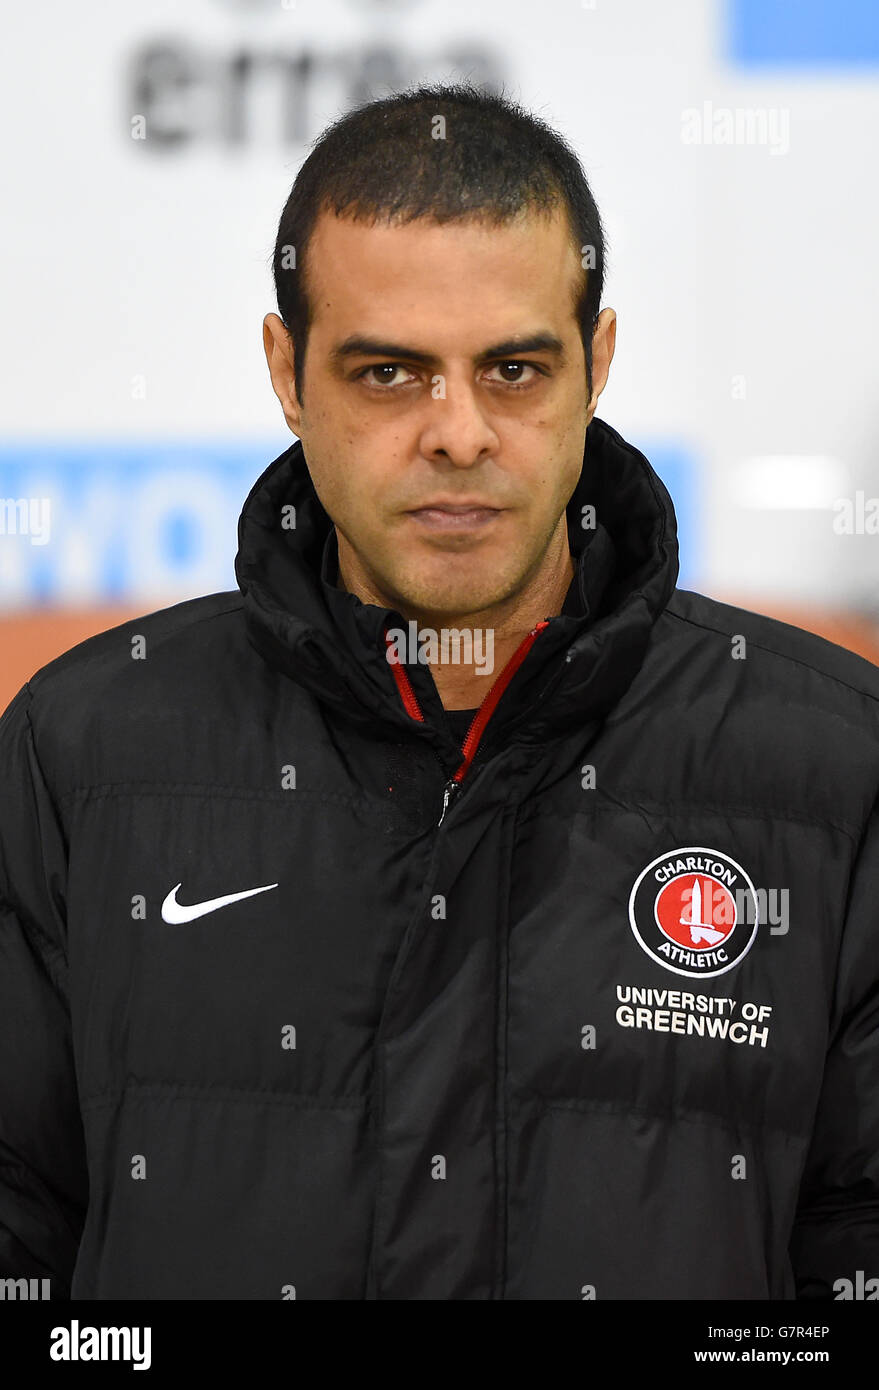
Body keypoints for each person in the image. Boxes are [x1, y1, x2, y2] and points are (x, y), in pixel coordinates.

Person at [1, 81, 877, 1302]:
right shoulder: (79, 752)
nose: (458, 431)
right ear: (286, 372)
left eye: (514, 368)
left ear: (598, 363)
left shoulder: (835, 768)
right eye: (388, 373)